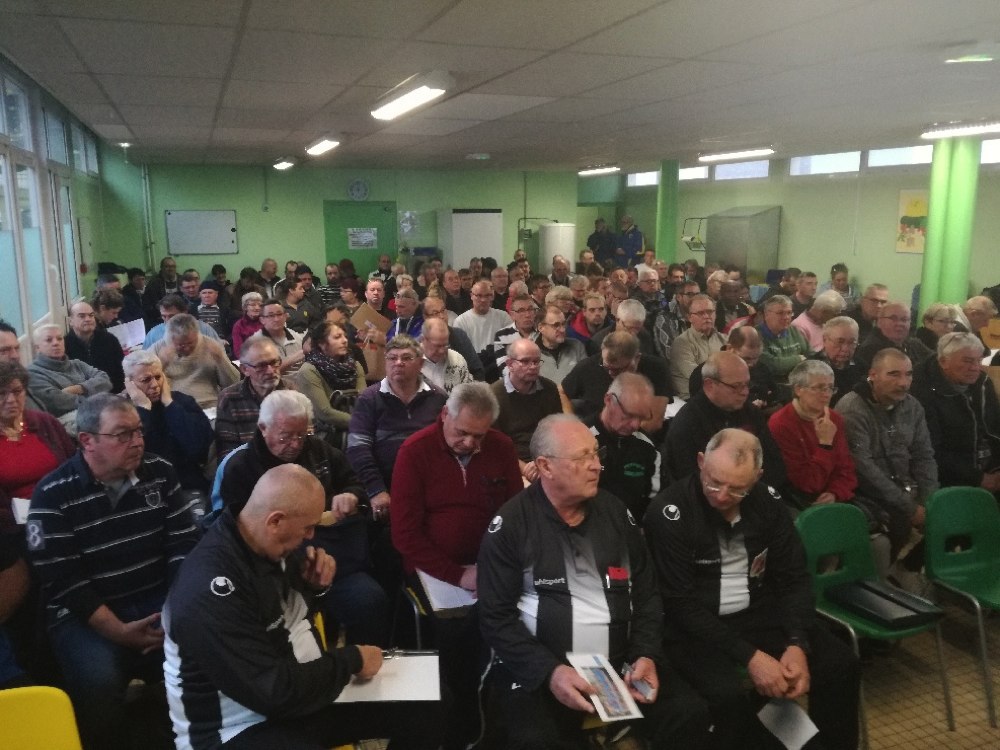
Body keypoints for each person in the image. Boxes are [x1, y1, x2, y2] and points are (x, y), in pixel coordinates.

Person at [164, 464, 440, 750]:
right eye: (308, 527)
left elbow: (289, 622)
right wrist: (351, 659)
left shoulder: (271, 545)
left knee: (433, 697)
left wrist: (315, 589)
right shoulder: (209, 588)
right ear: (275, 521)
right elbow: (273, 691)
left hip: (300, 694)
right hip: (240, 726)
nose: (311, 536)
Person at [477, 414, 713, 750]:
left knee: (689, 713)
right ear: (544, 467)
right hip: (543, 667)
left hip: (620, 664)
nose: (596, 466)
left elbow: (646, 594)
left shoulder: (615, 513)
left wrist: (645, 654)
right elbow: (495, 618)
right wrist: (550, 672)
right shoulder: (512, 526)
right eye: (582, 458)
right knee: (536, 740)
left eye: (595, 454)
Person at [644, 428, 861, 750]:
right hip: (698, 627)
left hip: (759, 614)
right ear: (701, 462)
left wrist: (796, 642)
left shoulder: (768, 503)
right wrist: (751, 657)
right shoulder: (670, 512)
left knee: (840, 663)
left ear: (758, 477)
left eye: (737, 489)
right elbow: (679, 604)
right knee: (725, 695)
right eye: (714, 482)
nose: (720, 496)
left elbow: (793, 577)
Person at [28, 393, 200, 750]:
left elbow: (182, 547)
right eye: (122, 434)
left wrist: (171, 612)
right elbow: (64, 580)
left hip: (156, 599)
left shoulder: (160, 472)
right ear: (87, 440)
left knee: (204, 652)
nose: (137, 441)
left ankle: (192, 737)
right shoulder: (52, 494)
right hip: (86, 614)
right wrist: (120, 632)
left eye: (138, 431)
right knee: (99, 681)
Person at [391, 383, 521, 748]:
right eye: (461, 433)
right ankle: (456, 723)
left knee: (516, 618)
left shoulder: (502, 448)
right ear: (444, 415)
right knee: (458, 632)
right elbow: (405, 535)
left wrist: (492, 567)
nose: (469, 444)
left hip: (489, 566)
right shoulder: (414, 452)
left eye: (478, 436)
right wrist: (457, 574)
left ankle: (494, 718)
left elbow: (514, 516)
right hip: (433, 571)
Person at [216, 391, 387, 648]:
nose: (295, 444)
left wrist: (350, 495)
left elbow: (354, 482)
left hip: (332, 555)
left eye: (301, 434)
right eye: (285, 436)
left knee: (371, 600)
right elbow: (238, 535)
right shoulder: (241, 468)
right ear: (263, 428)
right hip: (278, 572)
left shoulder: (318, 449)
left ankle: (363, 668)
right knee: (290, 626)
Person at [836, 349, 937, 563]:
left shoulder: (912, 406)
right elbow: (864, 469)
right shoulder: (852, 410)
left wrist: (930, 500)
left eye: (908, 374)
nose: (903, 382)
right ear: (873, 375)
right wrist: (910, 508)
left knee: (947, 514)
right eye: (894, 374)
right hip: (870, 493)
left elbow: (924, 455)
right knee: (898, 521)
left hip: (908, 488)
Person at [346, 334, 448, 519]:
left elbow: (450, 443)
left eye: (407, 358)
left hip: (433, 486)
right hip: (386, 487)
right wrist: (376, 490)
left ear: (420, 364)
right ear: (385, 363)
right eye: (392, 358)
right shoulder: (369, 399)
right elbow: (358, 449)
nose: (398, 363)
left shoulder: (438, 398)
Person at [665, 351, 791, 501]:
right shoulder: (687, 424)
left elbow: (774, 463)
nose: (745, 392)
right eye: (736, 386)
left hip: (756, 496)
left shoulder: (750, 412)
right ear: (710, 385)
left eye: (747, 384)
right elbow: (692, 484)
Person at [911, 332, 1000, 492]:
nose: (975, 368)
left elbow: (995, 428)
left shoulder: (982, 382)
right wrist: (978, 478)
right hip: (949, 478)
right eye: (967, 361)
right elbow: (930, 450)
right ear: (944, 361)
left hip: (988, 467)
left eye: (979, 360)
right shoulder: (921, 389)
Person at [768, 360, 860, 512]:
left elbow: (846, 469)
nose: (826, 395)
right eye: (819, 388)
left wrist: (835, 493)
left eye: (830, 388)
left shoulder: (834, 419)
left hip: (835, 497)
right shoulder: (781, 424)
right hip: (800, 502)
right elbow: (807, 483)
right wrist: (825, 444)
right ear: (798, 389)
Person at [0, 360, 74, 540]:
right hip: (15, 528)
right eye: (1, 393)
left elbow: (74, 465)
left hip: (65, 510)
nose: (11, 400)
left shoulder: (45, 423)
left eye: (17, 391)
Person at [123, 350, 213, 492]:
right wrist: (144, 410)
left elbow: (199, 449)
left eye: (158, 377)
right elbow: (137, 458)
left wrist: (170, 405)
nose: (155, 385)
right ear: (129, 384)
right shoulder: (120, 413)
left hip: (188, 485)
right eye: (146, 380)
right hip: (144, 488)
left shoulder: (182, 402)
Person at [586, 372, 662, 519]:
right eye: (628, 415)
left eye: (642, 417)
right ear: (608, 400)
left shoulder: (647, 448)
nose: (635, 424)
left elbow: (654, 501)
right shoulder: (580, 439)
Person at [491, 337, 567, 483]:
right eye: (525, 361)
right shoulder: (494, 395)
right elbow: (495, 446)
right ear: (510, 364)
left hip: (547, 458)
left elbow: (556, 432)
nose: (533, 366)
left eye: (536, 361)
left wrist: (544, 463)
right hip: (511, 462)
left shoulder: (549, 388)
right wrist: (525, 468)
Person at [562, 331, 670, 429]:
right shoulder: (588, 366)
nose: (610, 373)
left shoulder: (656, 368)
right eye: (606, 367)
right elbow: (561, 391)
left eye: (617, 369)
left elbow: (654, 422)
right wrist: (573, 423)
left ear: (636, 358)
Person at [215, 338, 291, 459]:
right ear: (245, 369)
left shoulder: (292, 392)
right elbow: (227, 453)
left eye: (274, 362)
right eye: (261, 366)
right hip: (248, 467)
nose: (271, 371)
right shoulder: (230, 398)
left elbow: (306, 438)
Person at [151, 314, 239, 408]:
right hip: (175, 407)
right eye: (181, 345)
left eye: (191, 343)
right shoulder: (158, 349)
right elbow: (147, 386)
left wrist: (220, 360)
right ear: (170, 339)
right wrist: (161, 365)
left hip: (209, 404)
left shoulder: (210, 345)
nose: (187, 348)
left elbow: (234, 383)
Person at [27, 324, 112, 422]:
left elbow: (105, 380)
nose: (56, 343)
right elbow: (57, 402)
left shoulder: (77, 364)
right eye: (49, 340)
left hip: (94, 412)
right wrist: (95, 393)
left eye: (59, 339)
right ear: (37, 348)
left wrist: (79, 388)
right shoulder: (33, 373)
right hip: (64, 423)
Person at [294, 319, 365, 436]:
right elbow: (324, 413)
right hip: (324, 432)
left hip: (357, 426)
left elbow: (363, 400)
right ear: (321, 344)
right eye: (337, 337)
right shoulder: (308, 370)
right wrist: (362, 423)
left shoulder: (355, 365)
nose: (345, 341)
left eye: (345, 336)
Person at [687, 325, 781, 412]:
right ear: (729, 348)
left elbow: (775, 396)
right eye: (746, 358)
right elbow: (703, 409)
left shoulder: (761, 368)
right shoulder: (705, 373)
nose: (751, 364)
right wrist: (748, 407)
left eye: (756, 358)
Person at [669, 293, 727, 399]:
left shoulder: (725, 340)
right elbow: (698, 378)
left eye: (710, 312)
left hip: (720, 396)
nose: (706, 316)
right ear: (690, 317)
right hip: (692, 399)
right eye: (701, 313)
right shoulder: (681, 343)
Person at [65, 299, 126, 392]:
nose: (88, 319)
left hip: (111, 396)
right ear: (70, 321)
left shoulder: (109, 339)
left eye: (91, 315)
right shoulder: (64, 345)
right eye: (82, 316)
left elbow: (121, 373)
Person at [422, 295, 485, 381]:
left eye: (443, 311)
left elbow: (477, 370)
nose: (442, 316)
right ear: (425, 317)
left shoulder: (459, 335)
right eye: (435, 313)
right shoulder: (418, 346)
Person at [855, 301, 933, 369]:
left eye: (904, 319)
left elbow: (935, 361)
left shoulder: (913, 343)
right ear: (879, 321)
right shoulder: (870, 349)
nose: (899, 323)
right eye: (893, 318)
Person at [808, 316, 865, 407]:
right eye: (840, 342)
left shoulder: (861, 366)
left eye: (852, 343)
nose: (845, 349)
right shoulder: (811, 369)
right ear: (825, 340)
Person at [756, 295, 811, 381]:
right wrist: (799, 358)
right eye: (780, 313)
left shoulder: (794, 330)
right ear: (766, 314)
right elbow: (773, 366)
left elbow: (811, 355)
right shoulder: (756, 335)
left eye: (789, 313)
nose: (786, 317)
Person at [143, 293, 222, 350]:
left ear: (184, 313)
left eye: (172, 316)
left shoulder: (204, 329)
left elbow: (219, 354)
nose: (167, 321)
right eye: (164, 316)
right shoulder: (153, 334)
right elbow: (146, 360)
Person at [488, 291, 538, 378]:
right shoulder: (502, 336)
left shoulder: (542, 332)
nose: (527, 315)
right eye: (521, 310)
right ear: (512, 315)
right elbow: (504, 369)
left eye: (530, 309)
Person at [454, 280, 512, 355]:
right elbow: (459, 351)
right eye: (479, 295)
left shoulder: (503, 317)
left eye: (487, 295)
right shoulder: (461, 321)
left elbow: (512, 344)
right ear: (471, 296)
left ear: (492, 296)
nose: (483, 300)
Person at [250, 298, 306, 373]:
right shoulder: (256, 342)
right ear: (262, 320)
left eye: (279, 314)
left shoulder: (296, 336)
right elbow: (265, 372)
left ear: (286, 316)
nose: (276, 319)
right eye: (271, 315)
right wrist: (295, 357)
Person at [535, 304, 586, 385]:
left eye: (563, 324)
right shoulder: (531, 353)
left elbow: (585, 379)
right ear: (541, 328)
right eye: (556, 325)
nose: (562, 330)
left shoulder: (577, 346)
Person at [420, 317, 472, 394]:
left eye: (445, 345)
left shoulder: (457, 359)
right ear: (423, 340)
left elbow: (468, 394)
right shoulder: (411, 362)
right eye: (437, 346)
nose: (442, 351)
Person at [652, 279, 699, 361]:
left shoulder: (701, 315)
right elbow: (670, 354)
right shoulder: (665, 318)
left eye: (697, 294)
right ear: (678, 297)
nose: (695, 298)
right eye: (690, 294)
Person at [230, 291, 264, 356]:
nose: (257, 308)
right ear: (245, 307)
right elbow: (238, 351)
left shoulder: (265, 322)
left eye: (260, 305)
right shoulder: (239, 325)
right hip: (248, 360)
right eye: (253, 305)